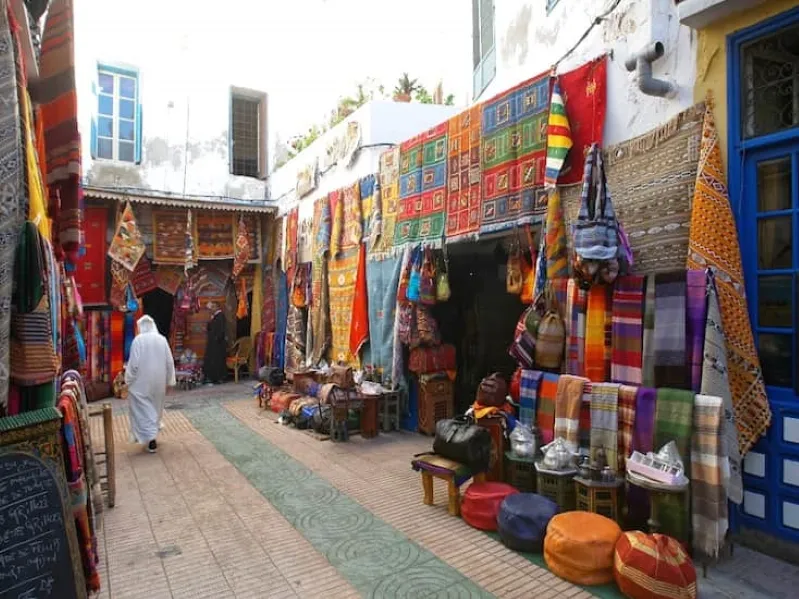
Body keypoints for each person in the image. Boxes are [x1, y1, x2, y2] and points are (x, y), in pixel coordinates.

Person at [125, 315, 176, 453]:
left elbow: (133, 364)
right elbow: (169, 361)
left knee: (143, 410)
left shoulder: (138, 340)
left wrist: (128, 379)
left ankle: (151, 439)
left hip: (141, 383)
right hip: (159, 382)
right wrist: (170, 380)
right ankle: (150, 434)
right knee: (154, 408)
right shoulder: (162, 340)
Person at [202, 301, 227, 384]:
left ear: (217, 307)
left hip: (218, 344)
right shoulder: (215, 317)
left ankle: (219, 378)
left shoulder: (221, 316)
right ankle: (212, 378)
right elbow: (210, 328)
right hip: (213, 343)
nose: (211, 309)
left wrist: (217, 339)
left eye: (212, 307)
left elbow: (221, 330)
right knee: (212, 360)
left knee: (217, 361)